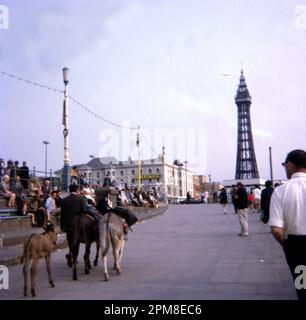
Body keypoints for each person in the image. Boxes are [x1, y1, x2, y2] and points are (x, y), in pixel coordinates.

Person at [270, 149, 306, 300]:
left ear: (290, 165)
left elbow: (277, 230)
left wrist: (287, 246)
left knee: (303, 287)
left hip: (298, 248)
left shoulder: (280, 191)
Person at [60, 184, 86, 267]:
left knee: (70, 240)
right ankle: (73, 256)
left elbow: (62, 214)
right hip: (78, 224)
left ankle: (71, 253)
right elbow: (84, 213)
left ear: (70, 190)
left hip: (67, 224)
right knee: (77, 241)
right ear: (77, 190)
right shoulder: (81, 199)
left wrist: (62, 226)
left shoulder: (64, 200)